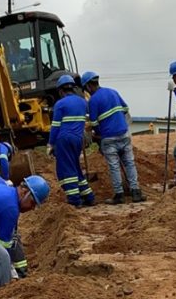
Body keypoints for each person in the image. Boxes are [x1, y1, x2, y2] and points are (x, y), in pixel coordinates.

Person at [81, 71, 146, 204]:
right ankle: (135, 192)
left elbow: (94, 123)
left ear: (88, 86)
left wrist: (97, 135)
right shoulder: (113, 92)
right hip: (124, 133)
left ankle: (119, 195)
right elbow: (125, 108)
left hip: (109, 138)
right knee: (129, 163)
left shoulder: (93, 101)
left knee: (114, 166)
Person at [47, 75, 95, 207]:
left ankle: (74, 199)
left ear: (61, 91)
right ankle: (88, 196)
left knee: (67, 170)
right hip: (78, 140)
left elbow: (55, 126)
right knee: (75, 168)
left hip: (64, 140)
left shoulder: (60, 104)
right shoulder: (82, 102)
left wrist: (50, 144)